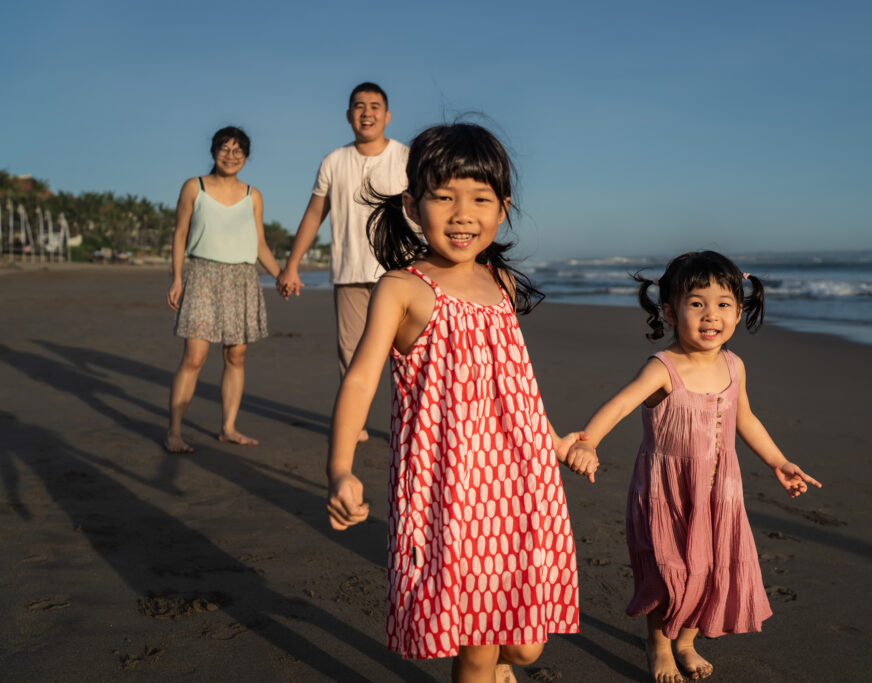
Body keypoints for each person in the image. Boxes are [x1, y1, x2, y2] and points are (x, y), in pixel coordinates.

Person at [324, 123, 598, 682]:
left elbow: (516, 384)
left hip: (521, 481)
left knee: (525, 645)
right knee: (477, 645)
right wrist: (340, 469)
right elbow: (360, 381)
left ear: (503, 209)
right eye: (444, 197)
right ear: (412, 205)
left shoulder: (502, 284)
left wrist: (554, 441)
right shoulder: (403, 288)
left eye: (480, 199)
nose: (462, 214)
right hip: (451, 488)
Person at [565, 251, 822, 682]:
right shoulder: (663, 367)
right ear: (670, 312)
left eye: (723, 304)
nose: (710, 315)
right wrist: (588, 442)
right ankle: (659, 643)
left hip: (720, 493)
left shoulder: (734, 366)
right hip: (668, 493)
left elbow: (745, 419)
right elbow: (621, 404)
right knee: (669, 573)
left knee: (709, 570)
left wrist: (778, 461)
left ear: (738, 312)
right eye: (697, 303)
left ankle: (685, 640)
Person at [276, 82, 409, 442]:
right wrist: (292, 264)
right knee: (351, 357)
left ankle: (409, 427)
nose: (367, 113)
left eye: (375, 106)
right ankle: (355, 426)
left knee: (408, 355)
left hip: (401, 273)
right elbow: (314, 214)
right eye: (359, 106)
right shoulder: (334, 161)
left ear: (387, 115)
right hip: (350, 272)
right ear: (349, 115)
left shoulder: (407, 158)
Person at [165, 126, 281, 454]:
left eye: (238, 151)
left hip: (241, 278)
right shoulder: (194, 187)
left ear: (246, 157)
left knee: (236, 356)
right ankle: (174, 432)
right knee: (194, 357)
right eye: (225, 149)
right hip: (202, 275)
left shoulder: (252, 195)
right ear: (214, 151)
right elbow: (180, 233)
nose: (231, 156)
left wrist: (281, 276)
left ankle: (229, 428)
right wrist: (177, 278)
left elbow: (260, 244)